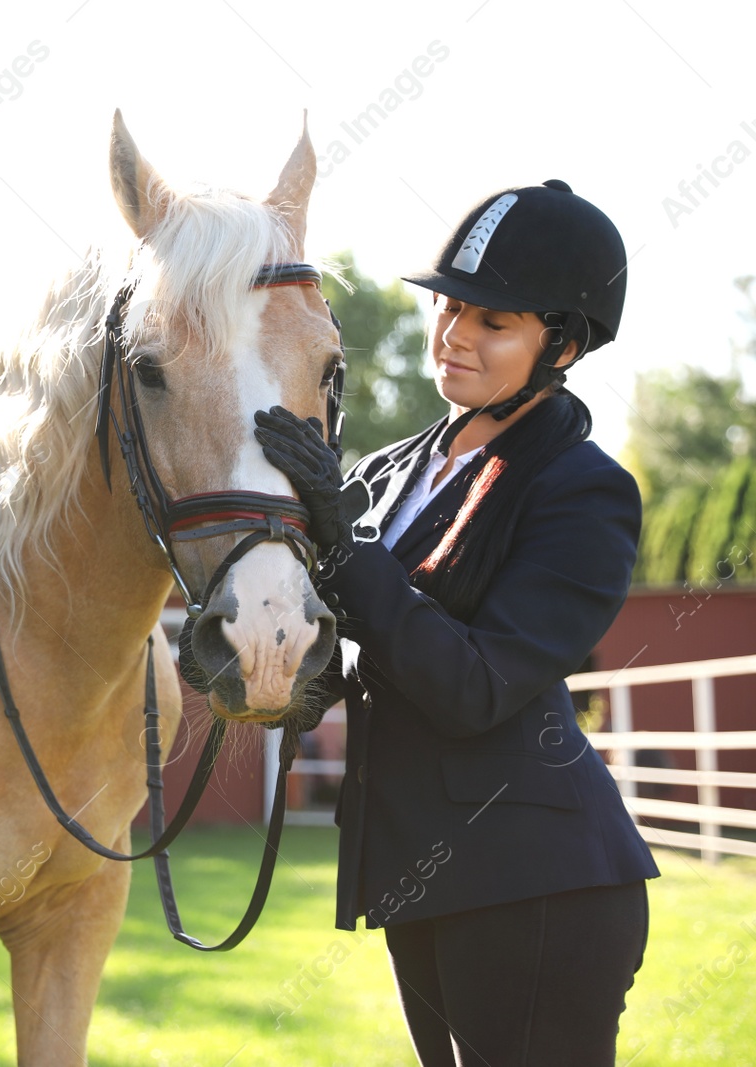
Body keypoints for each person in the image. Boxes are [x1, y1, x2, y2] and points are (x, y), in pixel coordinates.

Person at [253, 180, 660, 1067]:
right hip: (421, 871)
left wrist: (344, 545)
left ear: (565, 341)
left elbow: (476, 686)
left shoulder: (584, 490)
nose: (453, 337)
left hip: (538, 880)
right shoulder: (396, 467)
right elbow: (369, 639)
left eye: (494, 322)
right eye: (451, 307)